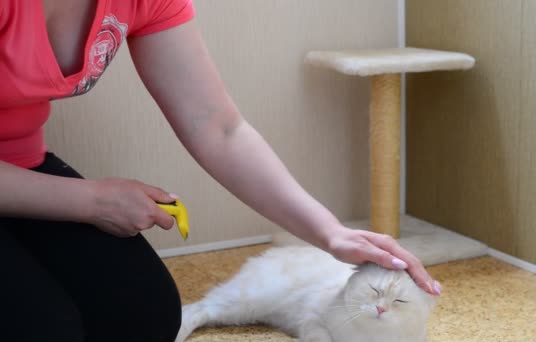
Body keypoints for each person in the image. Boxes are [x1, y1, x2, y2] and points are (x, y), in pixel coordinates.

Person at [0, 0, 441, 341]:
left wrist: (330, 232)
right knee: (41, 327)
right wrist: (90, 201)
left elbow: (218, 127)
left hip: (22, 163)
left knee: (142, 316)